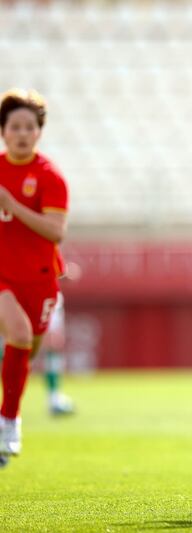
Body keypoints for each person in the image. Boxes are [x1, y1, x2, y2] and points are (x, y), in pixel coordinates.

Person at [0, 89, 69, 468]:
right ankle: (10, 423)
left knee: (25, 351)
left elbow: (56, 232)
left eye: (29, 126)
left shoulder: (49, 177)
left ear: (39, 132)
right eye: (15, 127)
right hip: (2, 276)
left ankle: (6, 414)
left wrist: (13, 206)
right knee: (20, 336)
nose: (22, 133)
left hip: (40, 279)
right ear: (4, 132)